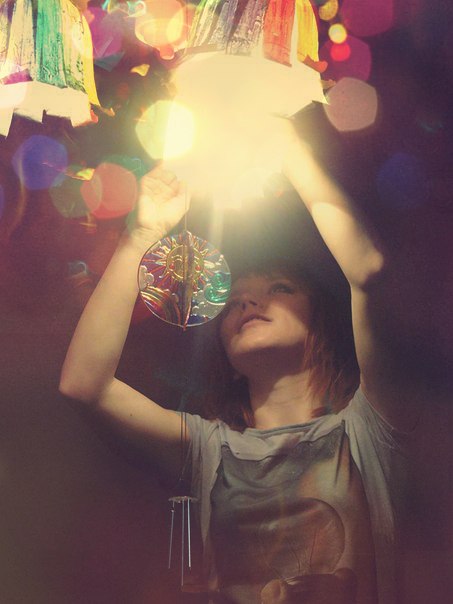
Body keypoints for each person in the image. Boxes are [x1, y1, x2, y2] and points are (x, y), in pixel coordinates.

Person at [59, 128, 450, 604]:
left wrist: (290, 147)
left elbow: (366, 268)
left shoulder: (370, 430)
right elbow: (84, 385)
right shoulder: (208, 449)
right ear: (225, 353)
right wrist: (140, 236)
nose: (249, 303)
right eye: (235, 302)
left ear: (318, 325)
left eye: (279, 289)